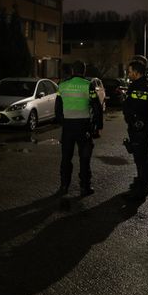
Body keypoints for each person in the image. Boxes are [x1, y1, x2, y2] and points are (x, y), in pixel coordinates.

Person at [55, 61, 104, 197]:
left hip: (68, 127)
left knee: (66, 158)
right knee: (84, 158)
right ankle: (85, 187)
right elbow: (96, 107)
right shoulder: (88, 85)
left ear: (72, 70)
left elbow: (57, 107)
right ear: (83, 71)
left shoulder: (62, 85)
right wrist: (98, 126)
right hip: (83, 126)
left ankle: (64, 186)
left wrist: (62, 122)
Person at [123, 58, 148, 199]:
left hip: (139, 128)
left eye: (130, 71)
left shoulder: (140, 87)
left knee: (141, 159)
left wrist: (132, 118)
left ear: (136, 72)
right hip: (145, 126)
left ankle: (141, 190)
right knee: (145, 157)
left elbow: (137, 108)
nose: (128, 74)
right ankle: (144, 183)